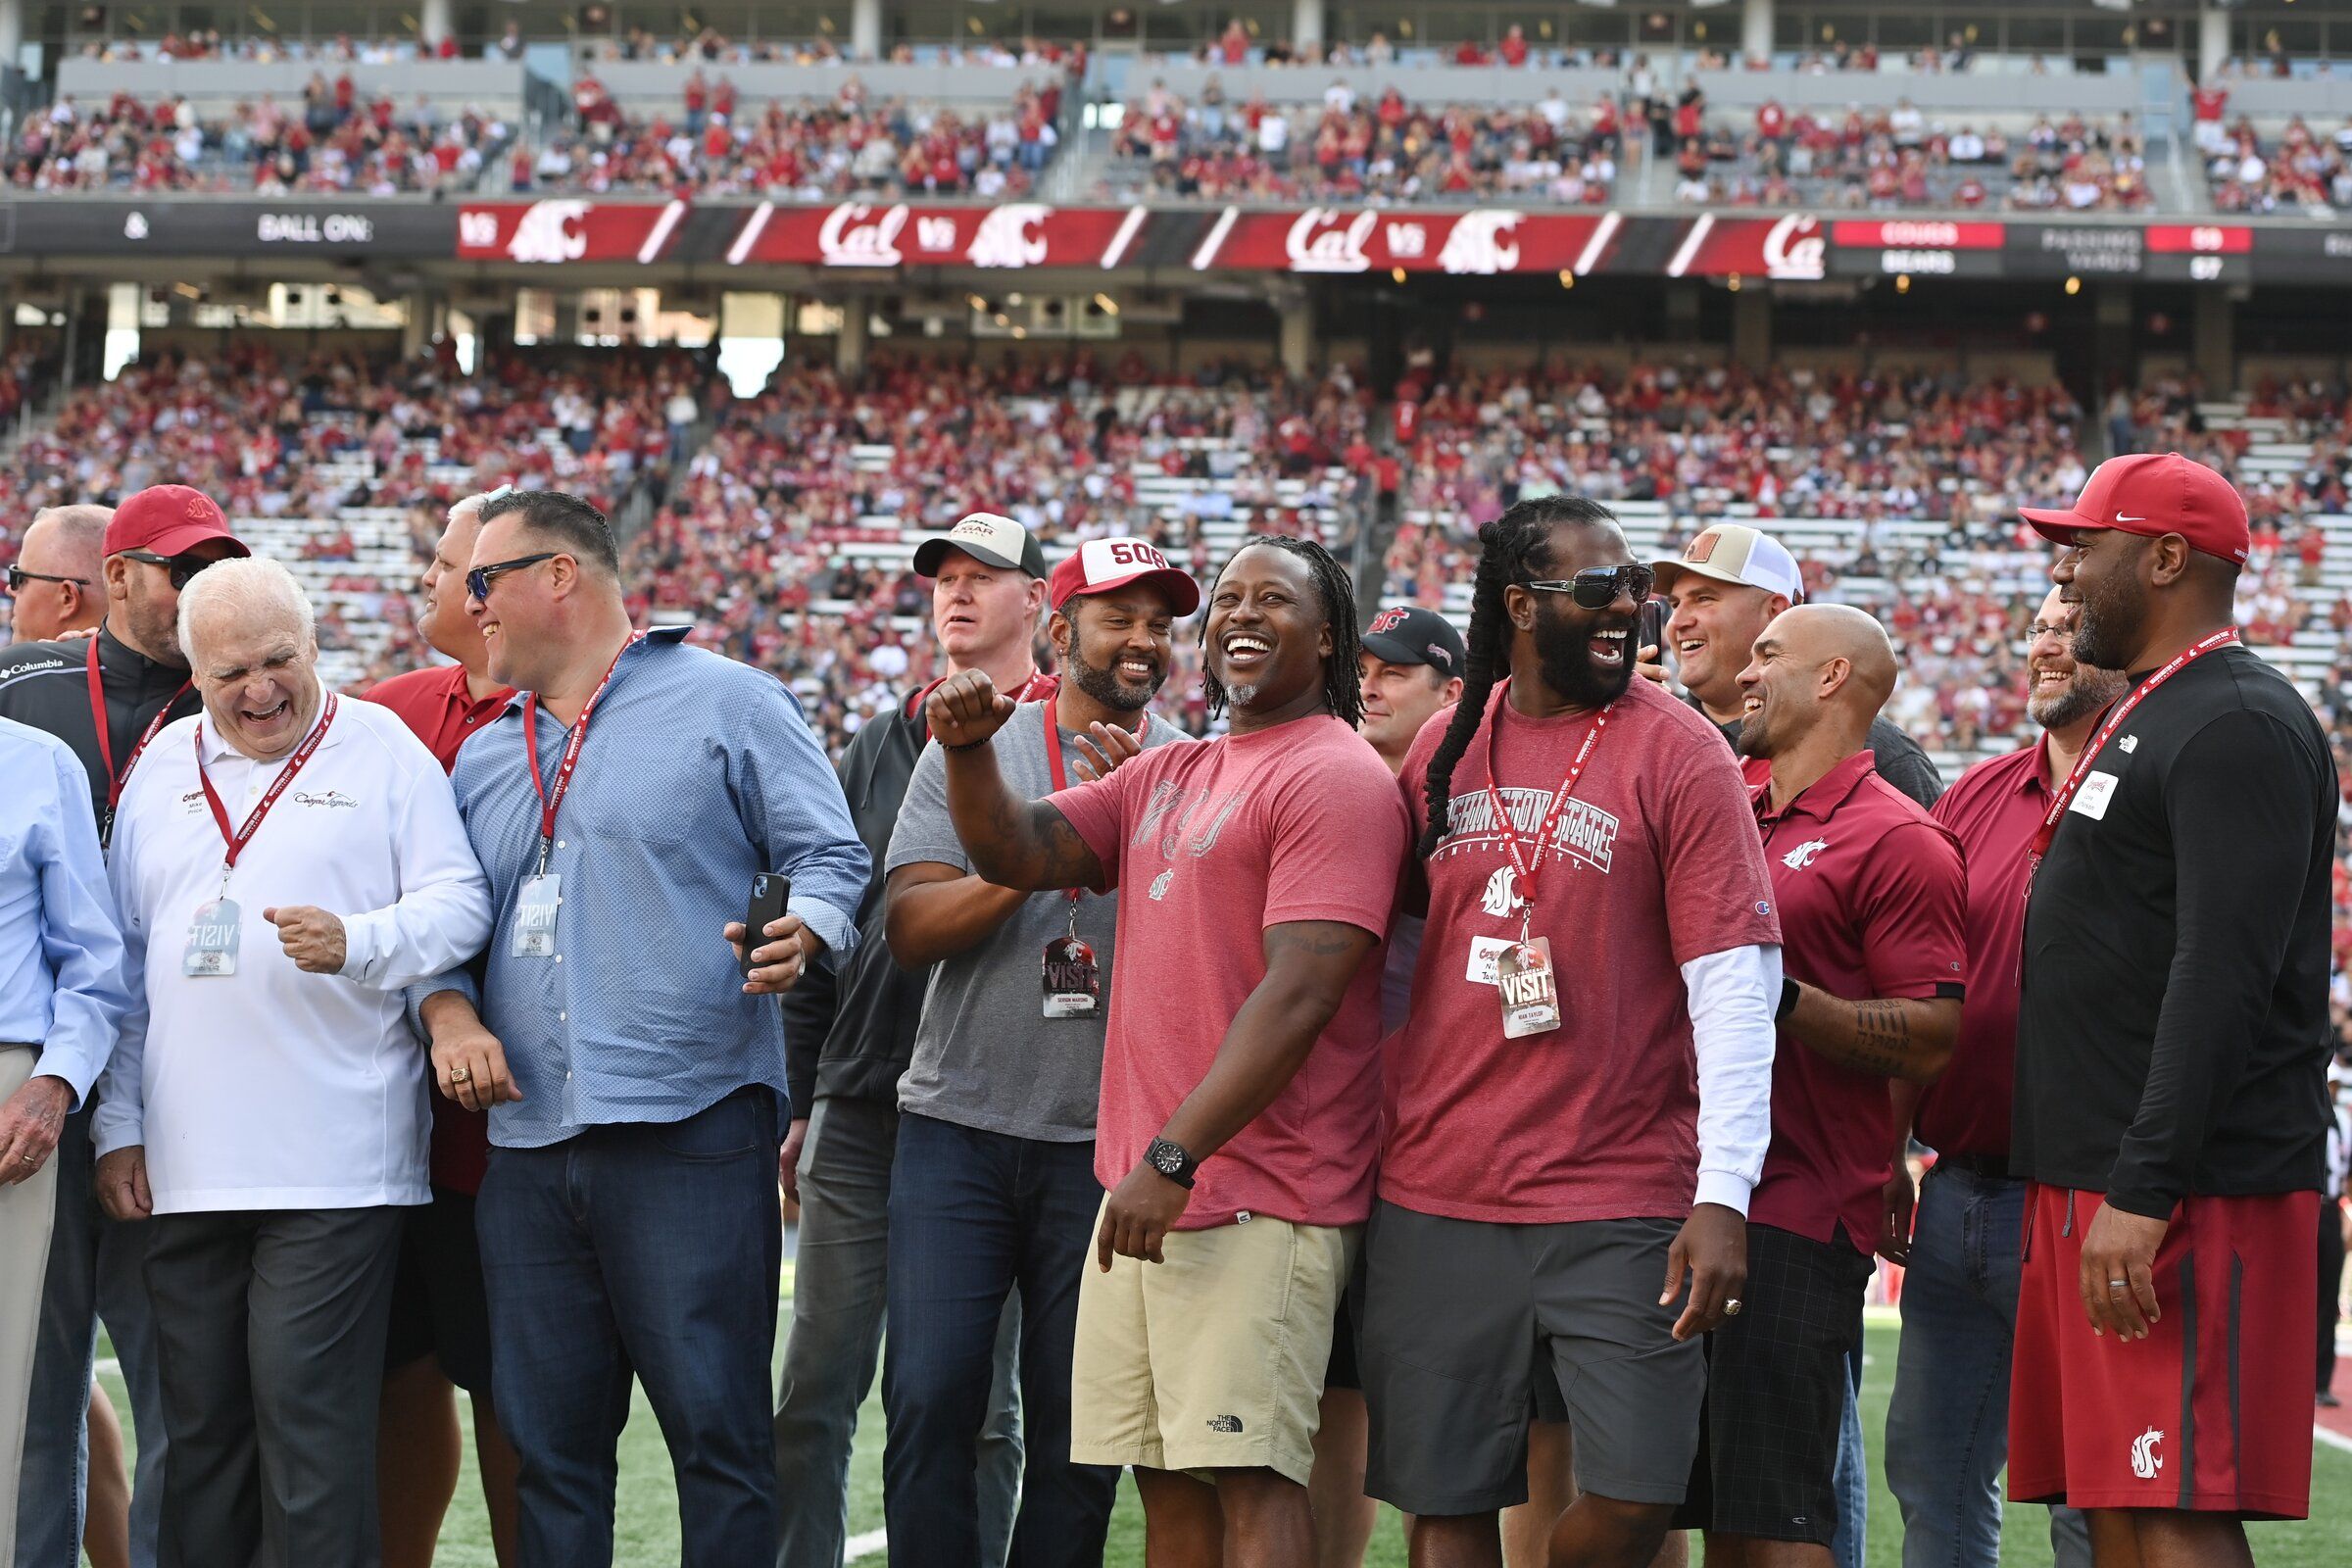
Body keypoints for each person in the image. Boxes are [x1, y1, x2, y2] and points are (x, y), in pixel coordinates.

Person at [408, 489, 869, 1567]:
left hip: (689, 1129)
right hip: (527, 1147)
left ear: (557, 576)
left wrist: (807, 925)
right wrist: (450, 1011)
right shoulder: (482, 756)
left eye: (483, 582)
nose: (470, 610)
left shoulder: (730, 701)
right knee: (550, 1456)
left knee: (718, 1438)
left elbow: (834, 855)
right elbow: (448, 931)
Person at [928, 534, 1407, 1568]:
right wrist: (970, 750)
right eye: (1228, 596)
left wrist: (1173, 1157)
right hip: (1145, 1190)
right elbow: (1014, 848)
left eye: (1272, 599)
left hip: (1251, 1194)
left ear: (1328, 636)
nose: (1239, 613)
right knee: (1168, 1489)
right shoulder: (1176, 768)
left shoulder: (1336, 775)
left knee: (1251, 1480)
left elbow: (1302, 992)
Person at [1365, 495, 1780, 1568]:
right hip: (1437, 1189)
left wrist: (1723, 1191)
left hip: (1624, 1193)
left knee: (1640, 1498)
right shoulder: (1444, 751)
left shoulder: (1681, 751)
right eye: (1601, 590)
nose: (1633, 608)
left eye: (1635, 586)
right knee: (1444, 1499)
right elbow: (1383, 962)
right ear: (1518, 605)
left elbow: (1733, 983)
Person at [91, 557, 492, 1568]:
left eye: (280, 660)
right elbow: (127, 965)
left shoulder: (384, 749)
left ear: (316, 646)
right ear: (193, 672)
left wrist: (356, 941)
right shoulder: (163, 767)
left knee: (311, 1431)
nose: (261, 689)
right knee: (201, 1435)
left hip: (337, 1166)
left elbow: (460, 905)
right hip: (183, 1169)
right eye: (232, 674)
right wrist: (121, 1126)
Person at [2011, 453, 2337, 1556]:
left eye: (2085, 549)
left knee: (2171, 1502)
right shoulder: (2157, 707)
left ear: (2161, 558)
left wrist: (2143, 1188)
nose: (2067, 573)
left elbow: (2222, 972)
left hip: (2184, 1192)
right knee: (2118, 1506)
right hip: (2107, 1177)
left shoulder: (2235, 717)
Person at [879, 536, 1198, 1567]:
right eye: (1119, 617)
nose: (1144, 640)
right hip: (955, 1121)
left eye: (1159, 620)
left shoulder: (1190, 763)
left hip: (1102, 1143)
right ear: (1060, 634)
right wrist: (1044, 847)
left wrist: (1146, 811)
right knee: (929, 1397)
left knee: (1081, 1428)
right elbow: (910, 929)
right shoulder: (973, 743)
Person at [1644, 522, 1938, 1566]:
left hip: (1800, 1196)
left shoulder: (1890, 804)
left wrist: (1777, 1000)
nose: (1679, 615)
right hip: (1686, 1181)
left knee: (1785, 1506)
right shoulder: (1730, 785)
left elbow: (1932, 1020)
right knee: (1687, 1496)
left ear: (1818, 663)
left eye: (1714, 603)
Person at [774, 512, 1045, 1568]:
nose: (959, 592)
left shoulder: (1060, 738)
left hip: (996, 1108)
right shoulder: (878, 742)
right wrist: (801, 1096)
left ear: (1038, 600)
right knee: (812, 1391)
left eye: (987, 575)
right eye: (944, 577)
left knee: (981, 1405)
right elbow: (824, 924)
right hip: (864, 1099)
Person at [0, 484, 248, 1568]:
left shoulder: (245, 703)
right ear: (116, 578)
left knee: (184, 1387)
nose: (196, 590)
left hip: (181, 1084)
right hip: (48, 1081)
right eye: (178, 569)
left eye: (212, 569)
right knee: (34, 1387)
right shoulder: (23, 689)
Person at [1883, 588, 2107, 1568]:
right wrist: (1892, 1145)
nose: (2046, 644)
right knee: (1932, 1468)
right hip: (1959, 1184)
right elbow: (1910, 975)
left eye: (2071, 629)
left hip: (2083, 1196)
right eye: (2039, 631)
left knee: (2089, 1489)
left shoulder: (2154, 783)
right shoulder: (1971, 796)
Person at [364, 490, 521, 1568]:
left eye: (444, 556)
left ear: (491, 583)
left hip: (508, 1125)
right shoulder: (379, 713)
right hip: (377, 1121)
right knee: (393, 1370)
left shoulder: (583, 706)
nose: (425, 574)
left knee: (515, 1384)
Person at [1310, 602, 1465, 1568]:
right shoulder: (1330, 784)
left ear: (1455, 692)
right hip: (1331, 1144)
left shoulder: (1480, 800)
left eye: (1397, 670)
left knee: (1437, 1425)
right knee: (1331, 1402)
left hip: (1436, 1156)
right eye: (1363, 665)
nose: (1371, 682)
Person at [0, 715, 128, 1567]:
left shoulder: (35, 761)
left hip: (10, 1095)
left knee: (20, 1395)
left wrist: (53, 1084)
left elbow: (95, 960)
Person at [1645, 523, 1942, 808]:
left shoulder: (1879, 751)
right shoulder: (1655, 731)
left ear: (1775, 612)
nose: (1678, 622)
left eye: (1704, 599)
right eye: (1675, 604)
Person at [5, 507, 110, 644]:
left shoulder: (8, 664)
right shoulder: (139, 663)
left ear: (68, 598)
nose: (10, 590)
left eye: (19, 578)